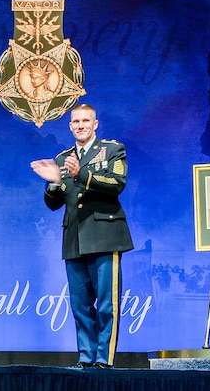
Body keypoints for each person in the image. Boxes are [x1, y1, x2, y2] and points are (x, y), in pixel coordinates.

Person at [30, 104, 134, 369]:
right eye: (75, 122)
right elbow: (53, 203)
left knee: (107, 304)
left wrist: (82, 174)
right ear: (70, 126)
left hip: (105, 234)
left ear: (95, 124)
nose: (80, 125)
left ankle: (104, 360)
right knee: (80, 305)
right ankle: (86, 357)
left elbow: (116, 184)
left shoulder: (112, 150)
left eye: (85, 121)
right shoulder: (63, 156)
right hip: (74, 238)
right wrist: (53, 181)